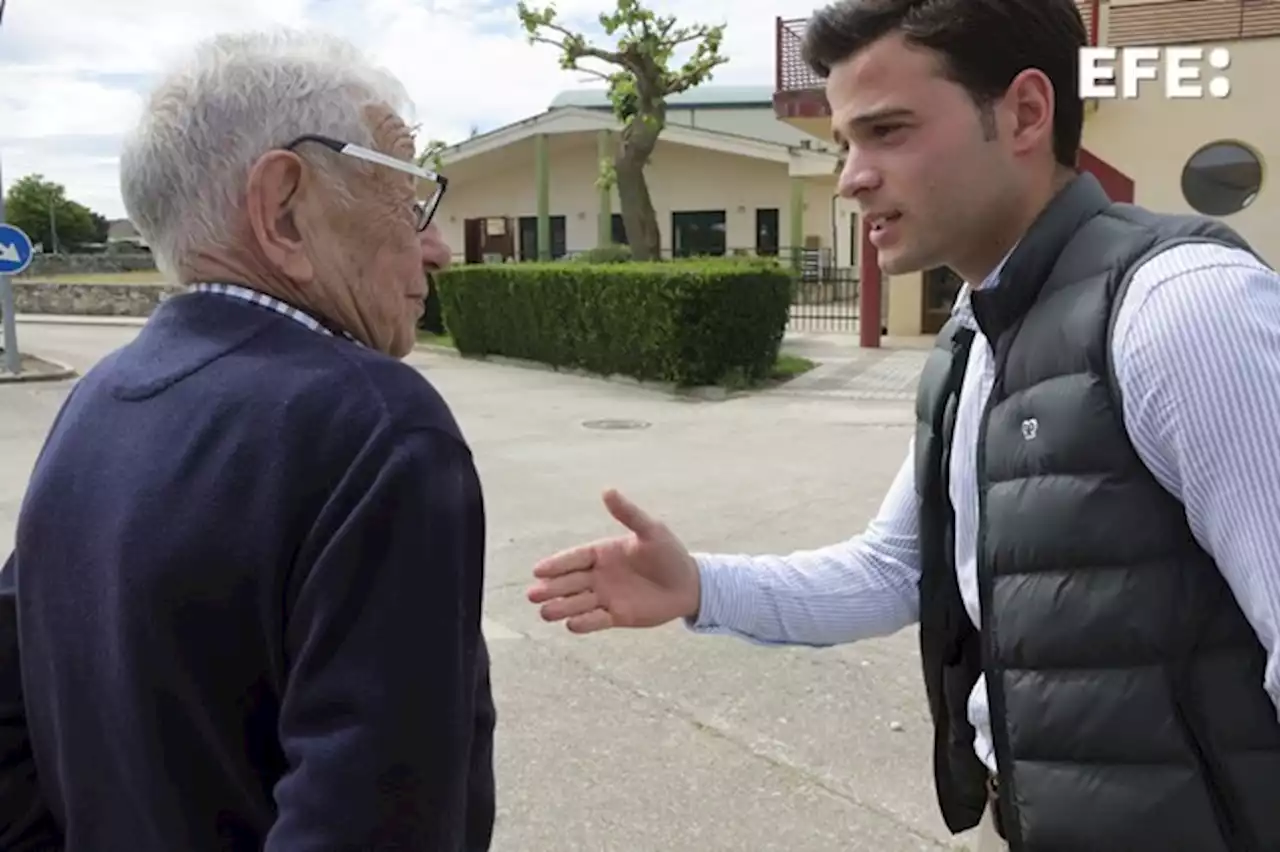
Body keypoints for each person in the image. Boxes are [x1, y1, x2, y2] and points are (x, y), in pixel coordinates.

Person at [527, 1, 1280, 850]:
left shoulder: (1184, 310)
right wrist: (698, 585)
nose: (851, 176)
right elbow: (894, 568)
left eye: (887, 132)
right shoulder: (975, 329)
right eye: (846, 142)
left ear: (1026, 113)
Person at [2, 28, 494, 851]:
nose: (435, 247)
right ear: (285, 210)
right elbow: (376, 822)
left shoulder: (98, 399)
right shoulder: (374, 426)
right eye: (409, 203)